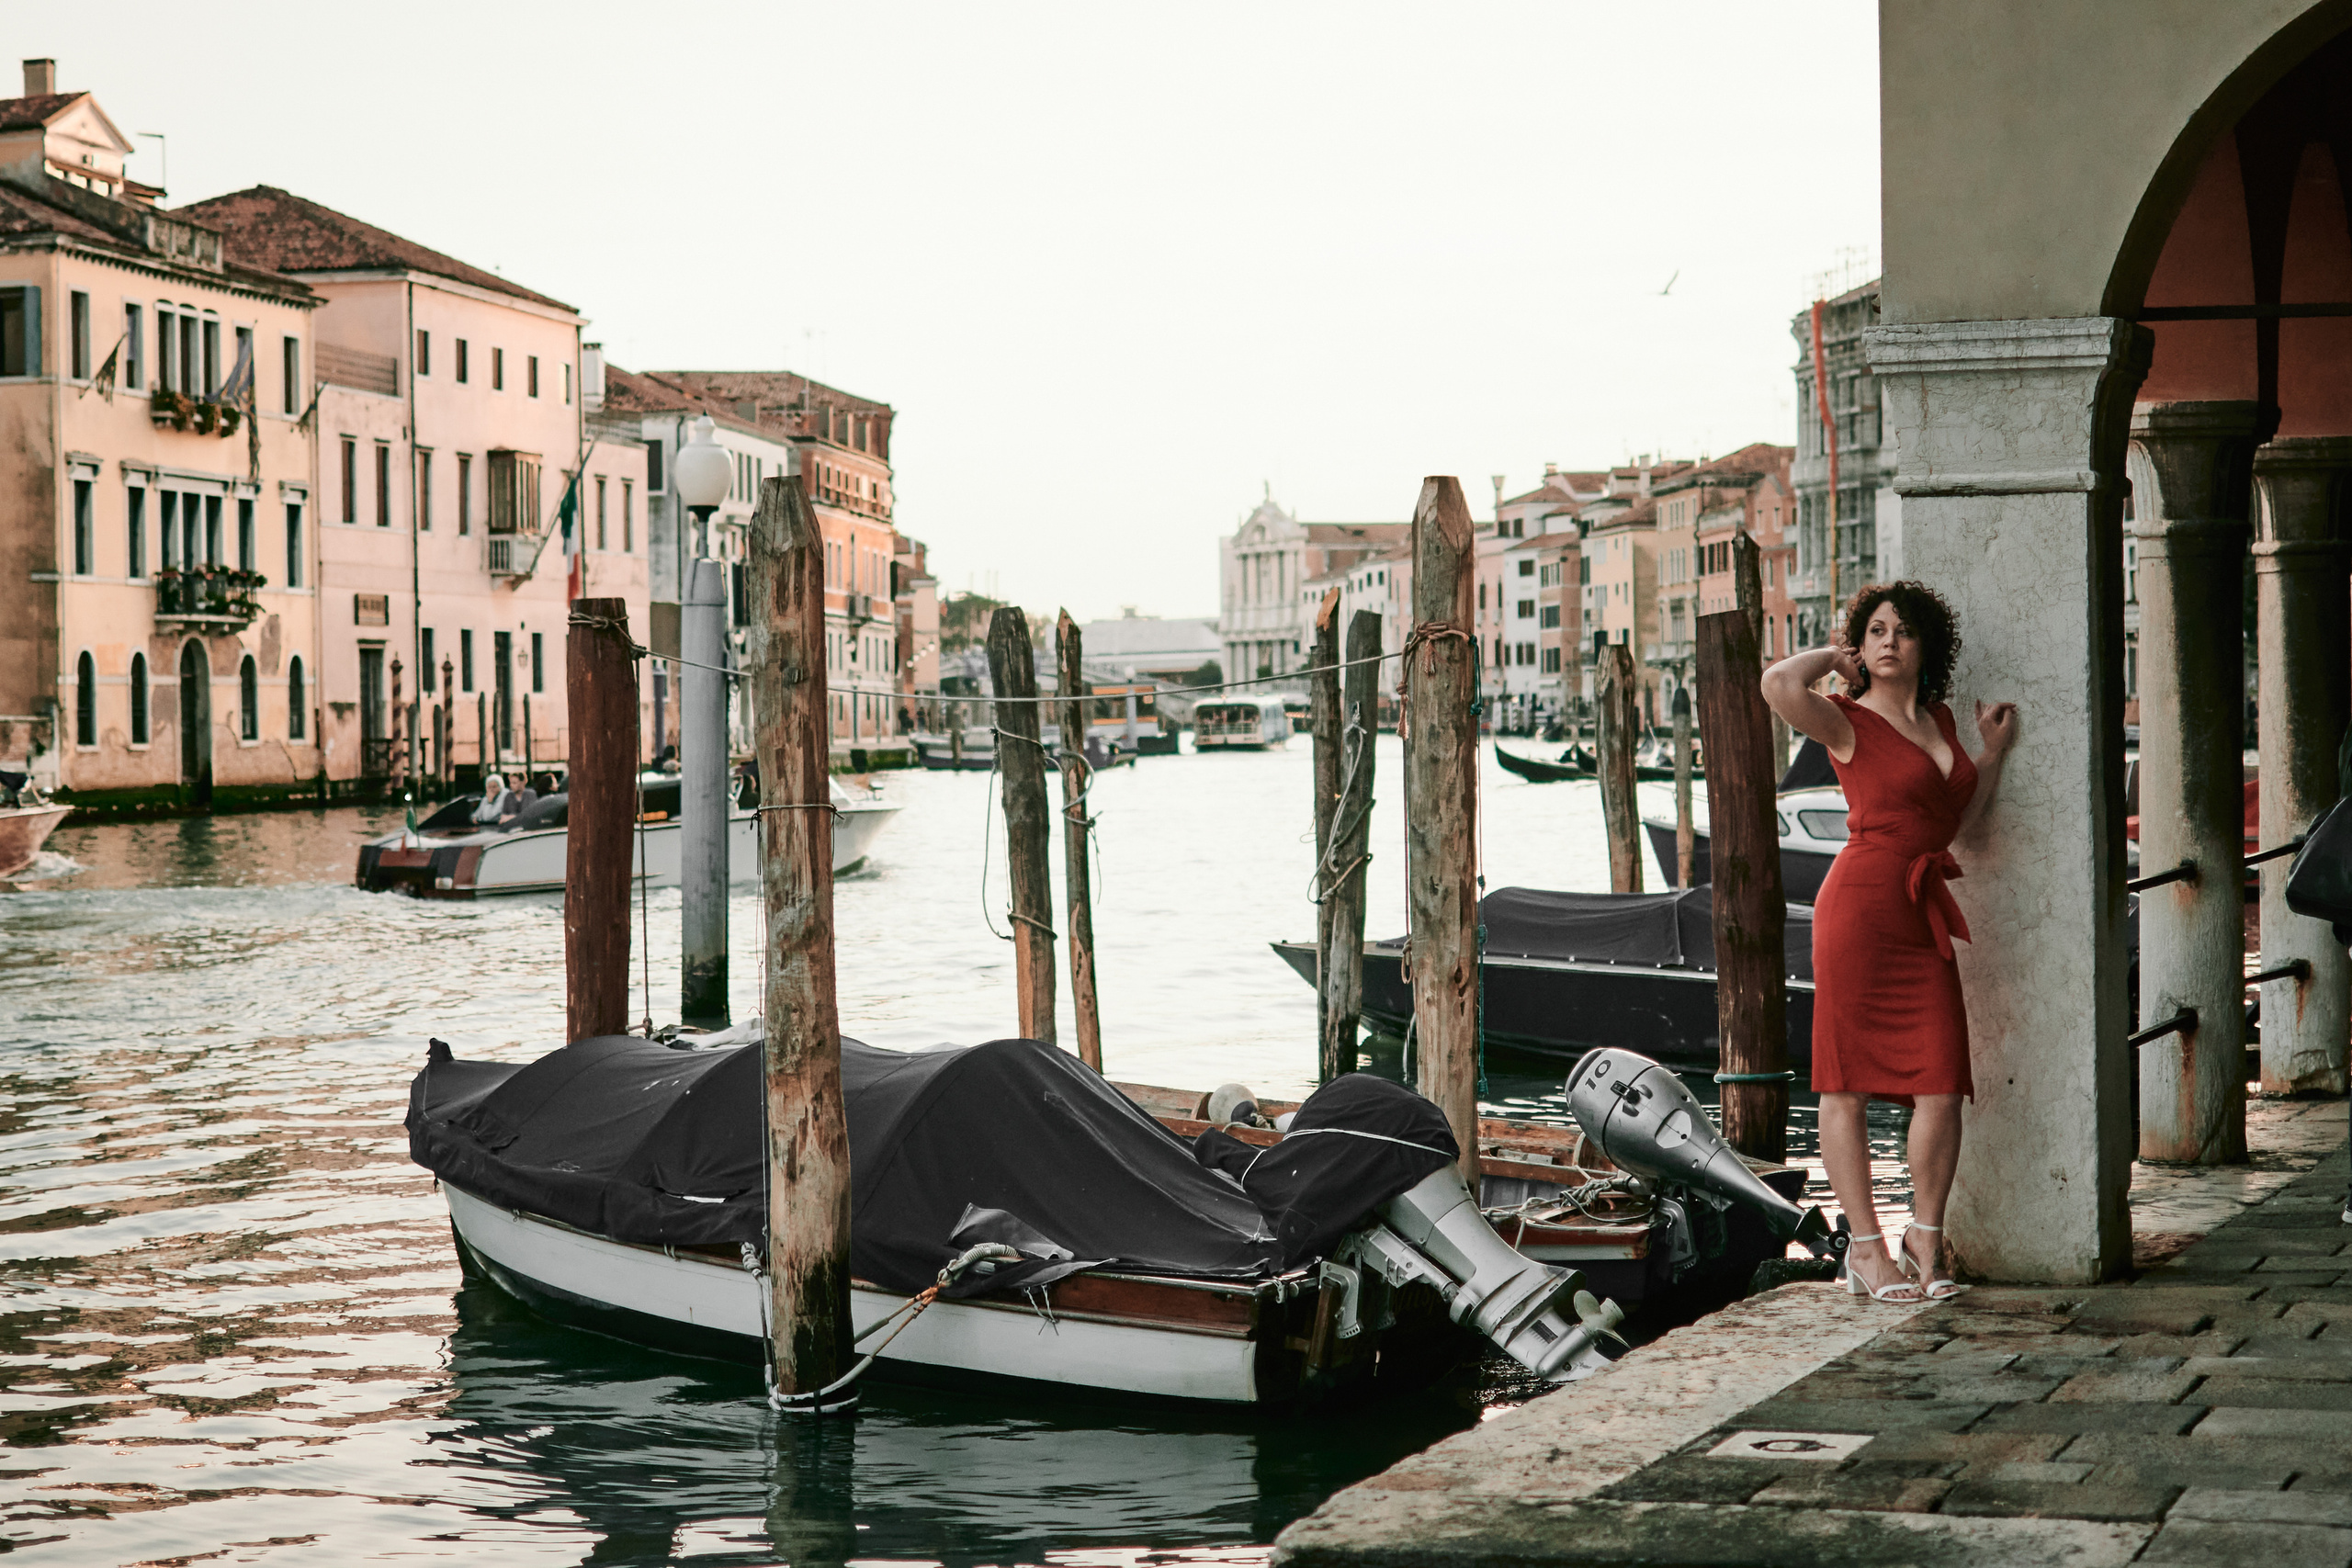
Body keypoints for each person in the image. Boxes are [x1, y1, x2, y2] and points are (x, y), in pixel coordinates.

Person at [1761, 581, 2018, 1304]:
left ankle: (1925, 1241)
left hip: (1919, 912)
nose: (1887, 641)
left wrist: (1990, 755)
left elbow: (1958, 818)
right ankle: (1869, 1251)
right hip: (1860, 910)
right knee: (1843, 1083)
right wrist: (1833, 658)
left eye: (1902, 631)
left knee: (1942, 1083)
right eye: (1873, 631)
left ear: (1924, 646)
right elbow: (1777, 683)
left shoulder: (1938, 718)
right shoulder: (1847, 720)